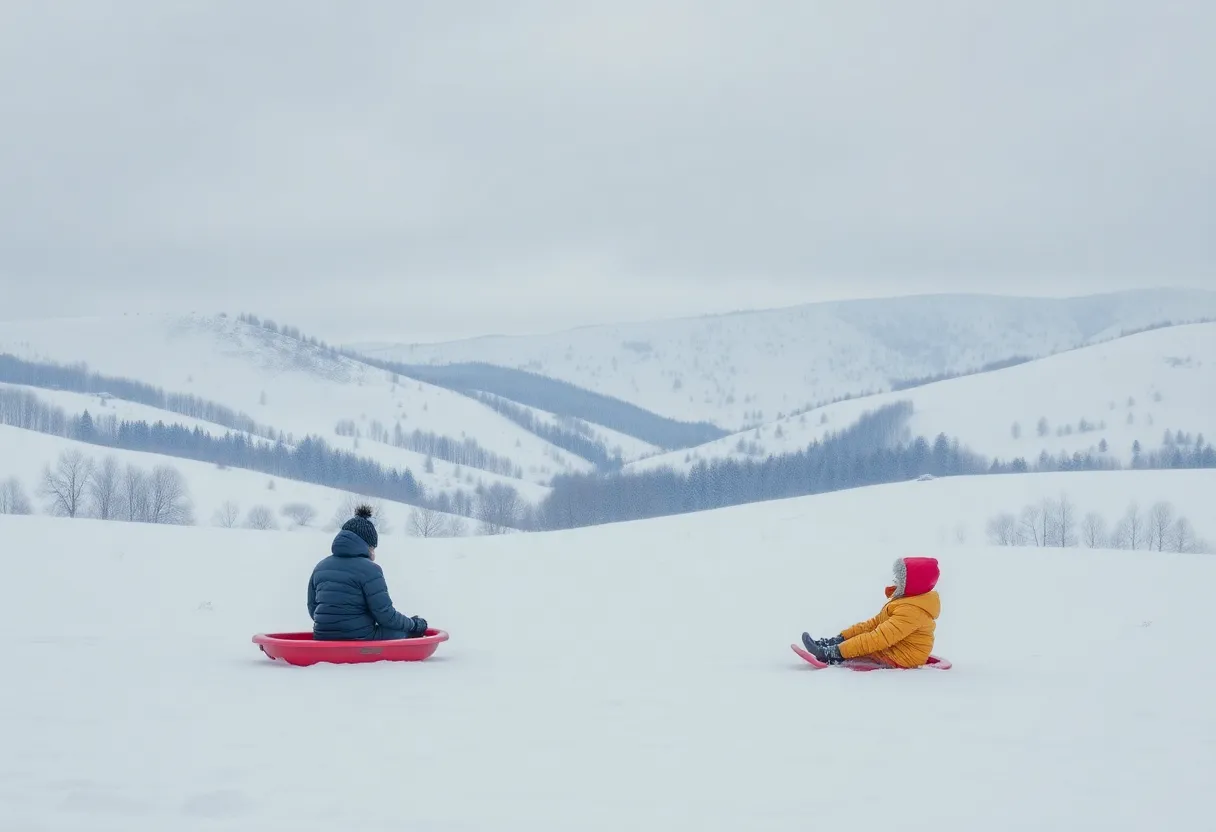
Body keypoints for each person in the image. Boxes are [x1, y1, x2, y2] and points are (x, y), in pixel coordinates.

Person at [307, 505, 429, 641]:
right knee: (399, 633)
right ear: (367, 546)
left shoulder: (320, 567)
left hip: (322, 636)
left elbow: (313, 609)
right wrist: (412, 625)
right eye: (373, 548)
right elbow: (386, 616)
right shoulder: (370, 569)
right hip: (360, 638)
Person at [800, 556, 940, 668]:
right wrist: (840, 639)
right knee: (865, 636)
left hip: (900, 657)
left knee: (864, 648)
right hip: (893, 646)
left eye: (900, 579)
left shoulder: (912, 611)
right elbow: (872, 625)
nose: (895, 581)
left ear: (912, 584)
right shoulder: (907, 601)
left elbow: (878, 638)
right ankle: (830, 645)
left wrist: (837, 651)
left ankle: (831, 652)